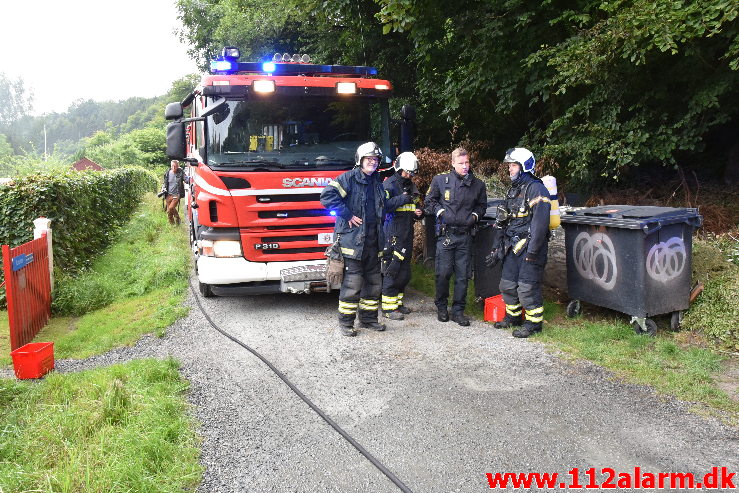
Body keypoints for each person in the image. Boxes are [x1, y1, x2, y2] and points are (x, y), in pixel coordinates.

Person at [320, 142, 387, 336]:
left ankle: (368, 320)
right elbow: (327, 196)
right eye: (369, 159)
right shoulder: (348, 179)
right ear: (360, 160)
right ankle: (346, 323)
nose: (373, 163)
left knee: (374, 284)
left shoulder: (377, 181)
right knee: (352, 285)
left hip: (373, 243)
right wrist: (347, 214)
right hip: (352, 243)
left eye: (375, 159)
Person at [492, 147, 551, 338]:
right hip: (513, 246)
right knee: (507, 285)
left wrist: (533, 252)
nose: (510, 169)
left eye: (513, 165)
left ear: (525, 166)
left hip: (531, 248)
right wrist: (497, 246)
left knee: (527, 287)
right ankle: (513, 317)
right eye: (509, 165)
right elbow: (504, 219)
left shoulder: (537, 188)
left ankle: (534, 324)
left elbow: (540, 224)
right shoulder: (514, 190)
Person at [424, 147, 487, 326]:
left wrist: (474, 217)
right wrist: (442, 212)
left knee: (462, 276)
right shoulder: (440, 180)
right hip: (446, 235)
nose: (465, 166)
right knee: (443, 273)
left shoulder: (478, 184)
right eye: (461, 163)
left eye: (467, 162)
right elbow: (429, 201)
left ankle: (458, 310)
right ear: (452, 163)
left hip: (465, 236)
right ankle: (442, 307)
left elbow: (482, 206)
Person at [381, 152, 423, 320]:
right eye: (407, 172)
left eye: (412, 173)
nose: (409, 175)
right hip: (393, 232)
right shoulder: (389, 184)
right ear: (399, 168)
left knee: (404, 272)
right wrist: (402, 199)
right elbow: (384, 207)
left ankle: (397, 304)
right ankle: (388, 309)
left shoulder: (411, 186)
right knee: (392, 270)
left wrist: (419, 212)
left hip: (407, 232)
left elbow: (416, 207)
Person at [162, 160, 187, 226]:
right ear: (170, 166)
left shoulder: (181, 172)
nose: (173, 167)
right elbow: (165, 183)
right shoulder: (167, 173)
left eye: (175, 166)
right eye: (172, 166)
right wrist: (163, 189)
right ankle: (173, 223)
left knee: (170, 208)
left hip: (176, 194)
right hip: (168, 194)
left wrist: (190, 179)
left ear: (178, 166)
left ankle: (176, 221)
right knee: (170, 210)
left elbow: (186, 179)